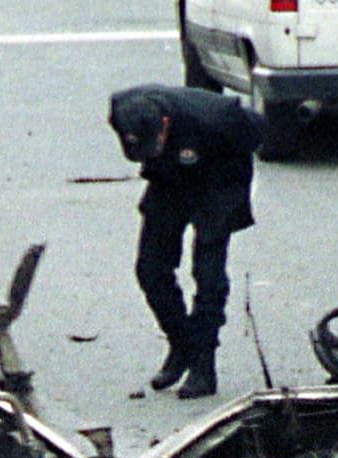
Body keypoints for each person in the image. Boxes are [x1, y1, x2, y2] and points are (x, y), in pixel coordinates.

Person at [108, 84, 265, 399]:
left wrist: (225, 183)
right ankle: (182, 346)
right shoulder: (120, 108)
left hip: (219, 180)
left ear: (165, 124)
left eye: (152, 146)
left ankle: (203, 364)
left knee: (208, 273)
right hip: (170, 179)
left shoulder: (217, 117)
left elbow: (256, 133)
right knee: (150, 268)